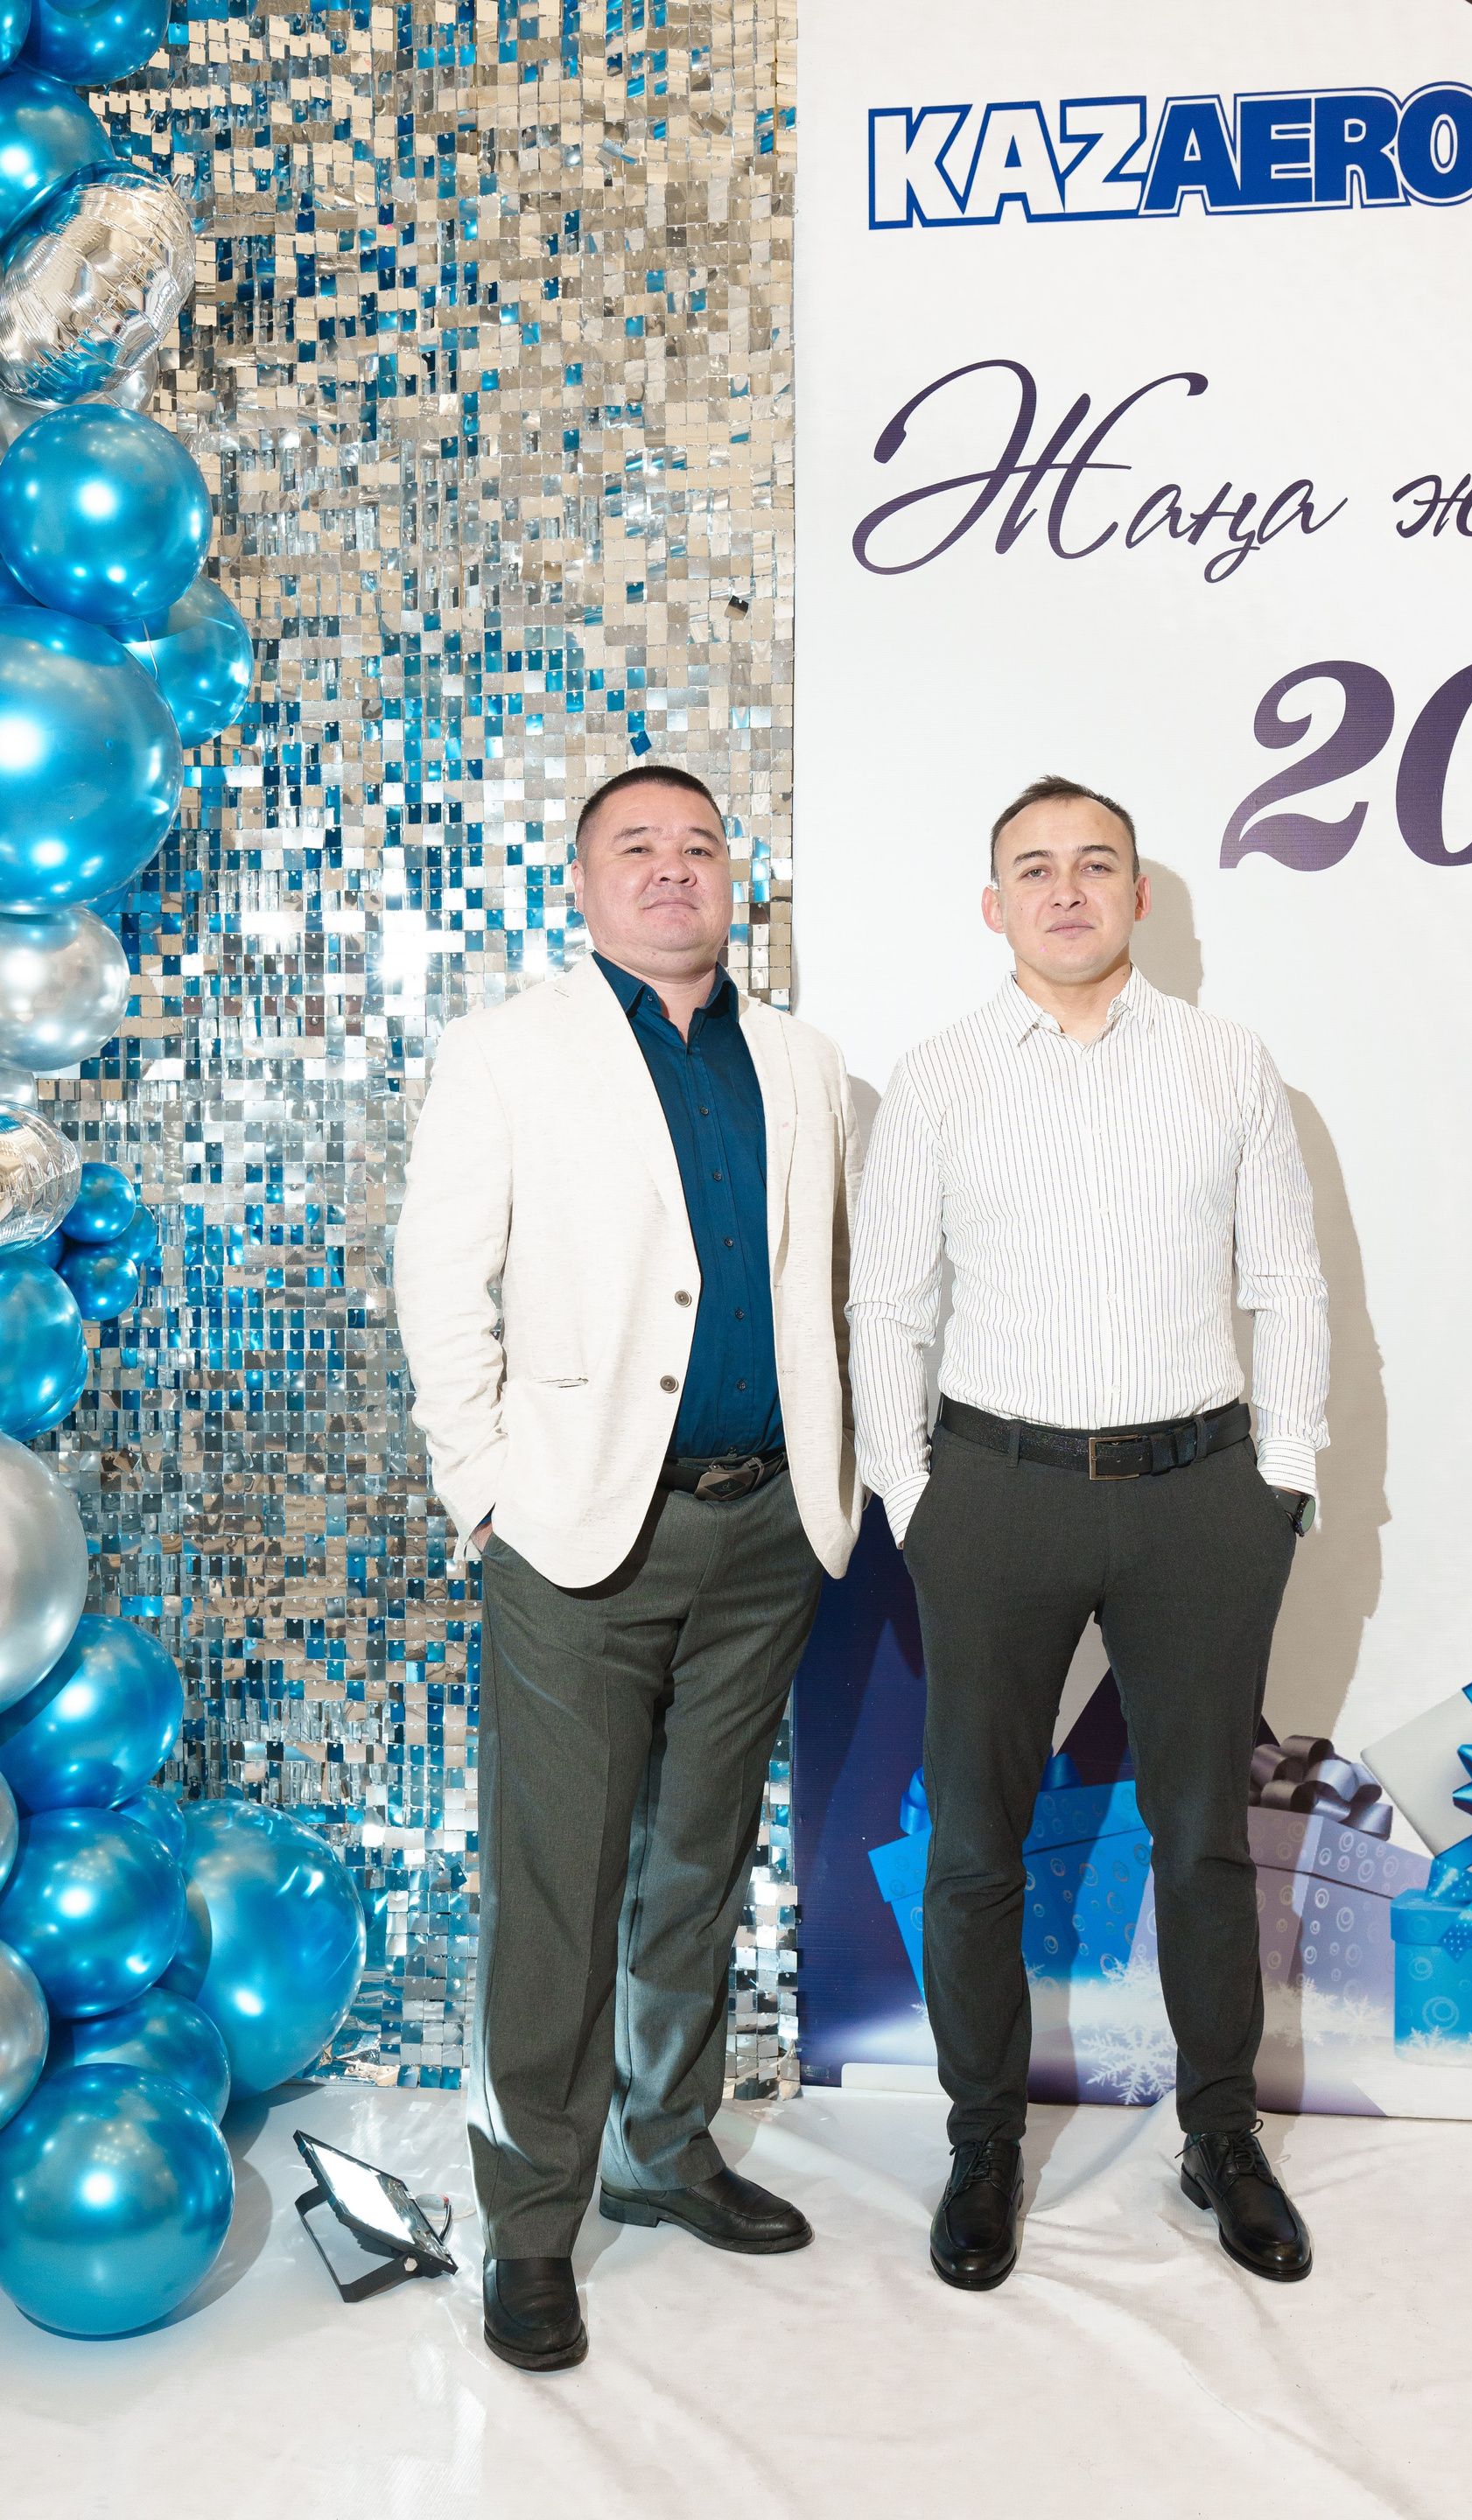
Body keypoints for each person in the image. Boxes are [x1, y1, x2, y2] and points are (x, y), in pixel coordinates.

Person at [394, 764, 862, 2372]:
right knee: (558, 1883)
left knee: (698, 1863)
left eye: (699, 846)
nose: (673, 869)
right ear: (583, 886)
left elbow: (826, 1284)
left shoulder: (800, 1061)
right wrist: (485, 1490)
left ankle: (665, 2151)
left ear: (736, 879)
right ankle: (534, 2220)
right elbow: (439, 1280)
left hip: (768, 1530)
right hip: (582, 1531)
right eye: (636, 847)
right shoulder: (506, 1051)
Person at [847, 774, 1328, 2293]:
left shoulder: (1227, 1062)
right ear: (994, 906)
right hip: (996, 1493)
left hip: (1202, 1496)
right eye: (1037, 868)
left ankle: (1221, 2134)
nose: (1068, 889)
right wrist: (914, 1497)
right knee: (974, 1840)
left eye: (1096, 864)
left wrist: (1281, 1482)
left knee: (1203, 1838)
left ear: (1138, 896)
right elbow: (887, 1306)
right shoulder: (937, 1078)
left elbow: (1287, 1284)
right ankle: (982, 2142)